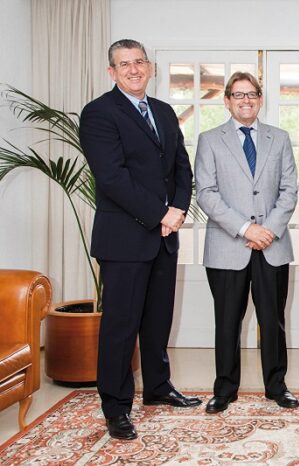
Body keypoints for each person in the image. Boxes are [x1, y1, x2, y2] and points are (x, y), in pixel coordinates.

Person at [79, 39, 200, 441]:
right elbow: (112, 178)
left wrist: (178, 211)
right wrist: (160, 213)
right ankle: (115, 407)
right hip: (125, 239)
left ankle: (159, 388)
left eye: (139, 62)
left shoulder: (164, 112)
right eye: (123, 64)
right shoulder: (99, 113)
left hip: (164, 235)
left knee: (157, 321)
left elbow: (182, 167)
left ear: (150, 68)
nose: (133, 69)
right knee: (120, 326)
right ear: (111, 72)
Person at [195, 71, 299, 413]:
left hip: (272, 245)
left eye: (251, 94)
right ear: (227, 101)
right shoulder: (210, 140)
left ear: (260, 98)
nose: (245, 100)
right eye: (238, 95)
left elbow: (289, 190)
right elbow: (207, 194)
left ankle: (277, 387)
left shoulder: (279, 138)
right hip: (227, 247)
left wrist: (266, 229)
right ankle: (224, 390)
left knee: (273, 321)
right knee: (227, 322)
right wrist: (245, 229)